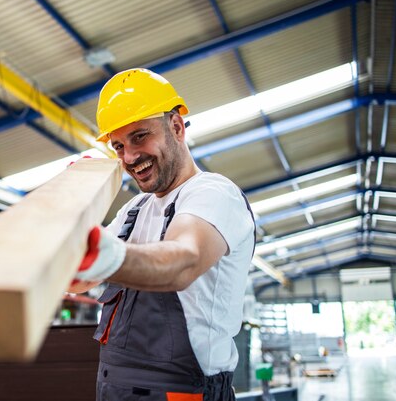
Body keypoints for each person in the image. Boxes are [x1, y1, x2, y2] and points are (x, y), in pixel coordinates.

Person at [70, 68, 256, 401]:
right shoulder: (135, 209)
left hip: (181, 392)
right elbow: (82, 277)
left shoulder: (213, 193)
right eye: (118, 145)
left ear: (176, 127)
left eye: (140, 136)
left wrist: (100, 254)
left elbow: (182, 261)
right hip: (114, 388)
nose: (129, 157)